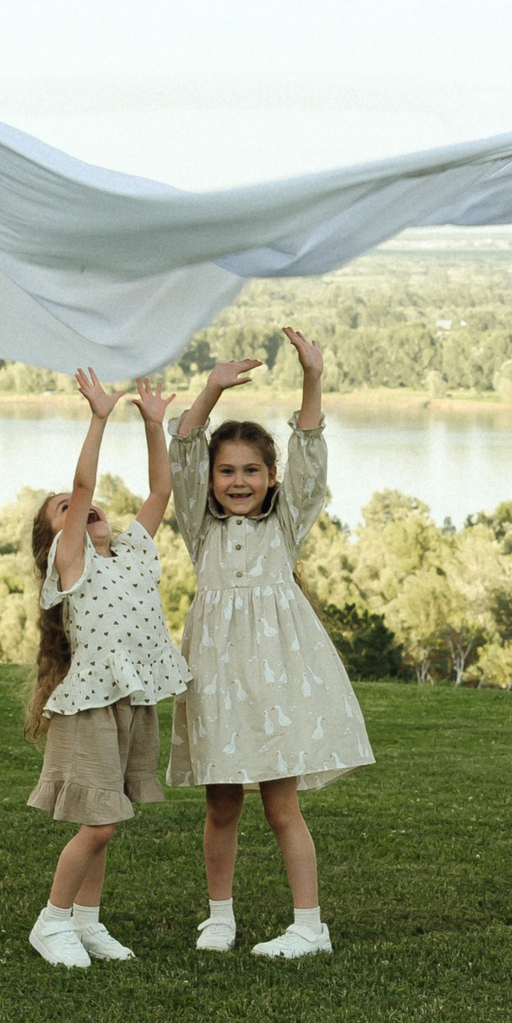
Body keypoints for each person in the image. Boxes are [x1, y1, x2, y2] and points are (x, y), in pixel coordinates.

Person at [168, 328, 373, 958]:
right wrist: (209, 390)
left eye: (250, 470)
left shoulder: (286, 524)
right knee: (222, 803)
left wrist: (314, 377)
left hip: (277, 679)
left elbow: (310, 453)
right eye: (226, 471)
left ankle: (309, 925)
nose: (237, 481)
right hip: (216, 678)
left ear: (270, 475)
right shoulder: (198, 528)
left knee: (282, 805)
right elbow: (181, 447)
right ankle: (220, 916)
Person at [23, 370, 192, 968]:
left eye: (89, 507)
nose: (86, 507)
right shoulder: (72, 563)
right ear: (57, 537)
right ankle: (52, 921)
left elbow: (161, 491)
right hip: (90, 704)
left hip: (130, 697)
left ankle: (87, 923)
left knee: (108, 819)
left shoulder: (131, 550)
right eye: (68, 511)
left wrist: (153, 425)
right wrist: (98, 418)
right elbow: (83, 478)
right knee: (95, 824)